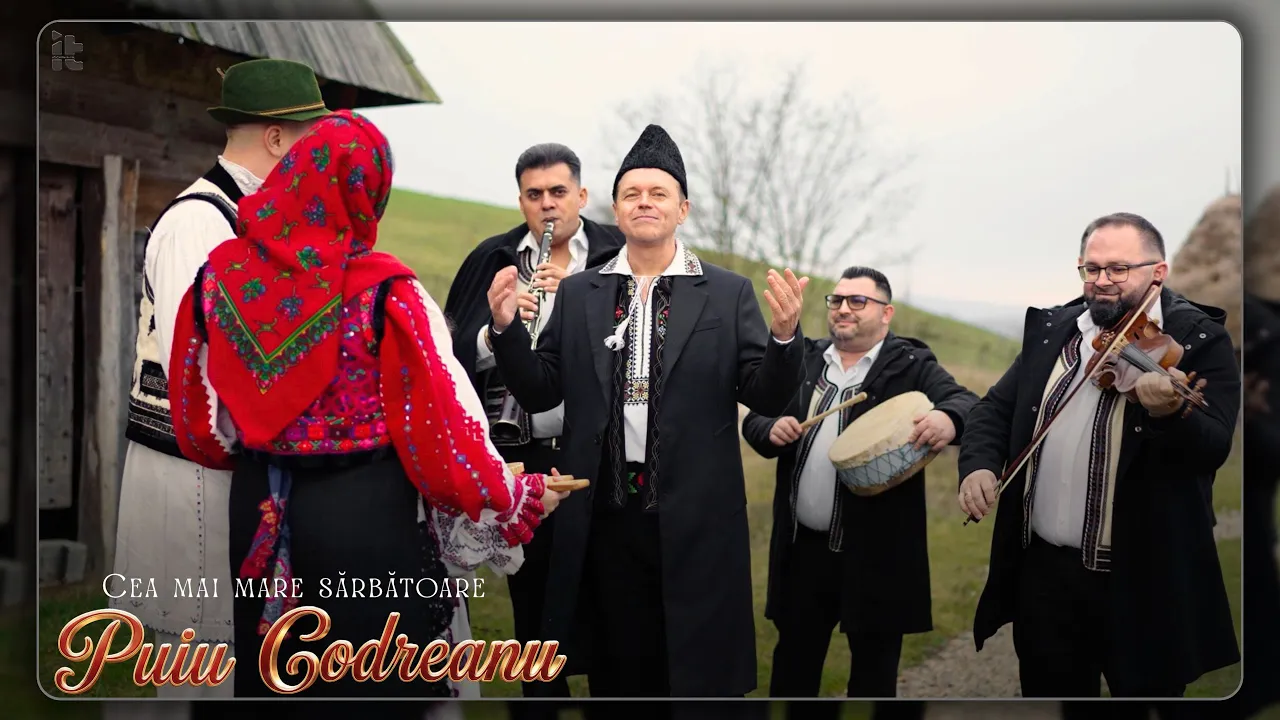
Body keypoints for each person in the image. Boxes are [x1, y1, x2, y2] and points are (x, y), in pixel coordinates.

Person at [166, 109, 568, 699]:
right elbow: (444, 434)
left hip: (259, 508)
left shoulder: (217, 279)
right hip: (364, 515)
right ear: (368, 195)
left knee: (274, 679)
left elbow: (197, 421)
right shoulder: (388, 292)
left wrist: (264, 452)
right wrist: (515, 496)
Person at [485, 123, 808, 702]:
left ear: (682, 209)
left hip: (696, 517)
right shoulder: (582, 292)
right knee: (617, 675)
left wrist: (785, 339)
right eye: (632, 194)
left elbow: (765, 396)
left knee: (695, 678)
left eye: (659, 193)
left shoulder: (726, 292)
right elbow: (540, 391)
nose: (644, 202)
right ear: (615, 209)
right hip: (604, 515)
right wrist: (506, 329)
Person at [108, 57, 329, 698]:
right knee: (199, 668)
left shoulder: (252, 216)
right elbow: (204, 360)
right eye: (311, 140)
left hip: (231, 466)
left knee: (239, 663)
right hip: (189, 472)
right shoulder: (199, 222)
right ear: (278, 138)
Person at [958, 212, 1240, 698]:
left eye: (1118, 268)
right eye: (1092, 268)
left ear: (1158, 272)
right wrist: (980, 465)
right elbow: (994, 410)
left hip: (1142, 583)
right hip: (1045, 578)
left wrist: (1172, 413)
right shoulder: (1056, 330)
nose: (1102, 280)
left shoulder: (1199, 339)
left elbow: (1213, 446)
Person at [742, 265, 979, 701]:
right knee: (793, 668)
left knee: (873, 676)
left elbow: (966, 402)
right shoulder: (806, 357)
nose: (843, 309)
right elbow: (758, 411)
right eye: (837, 300)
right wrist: (767, 428)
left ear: (886, 313)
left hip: (876, 555)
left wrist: (948, 418)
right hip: (802, 550)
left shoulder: (910, 364)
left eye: (857, 301)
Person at [442, 142, 624, 704]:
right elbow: (452, 352)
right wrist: (497, 330)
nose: (548, 205)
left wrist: (578, 304)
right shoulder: (492, 258)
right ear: (521, 200)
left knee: (608, 591)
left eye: (559, 192)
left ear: (582, 196)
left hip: (602, 452)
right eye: (534, 194)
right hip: (524, 455)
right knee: (535, 597)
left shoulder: (619, 253)